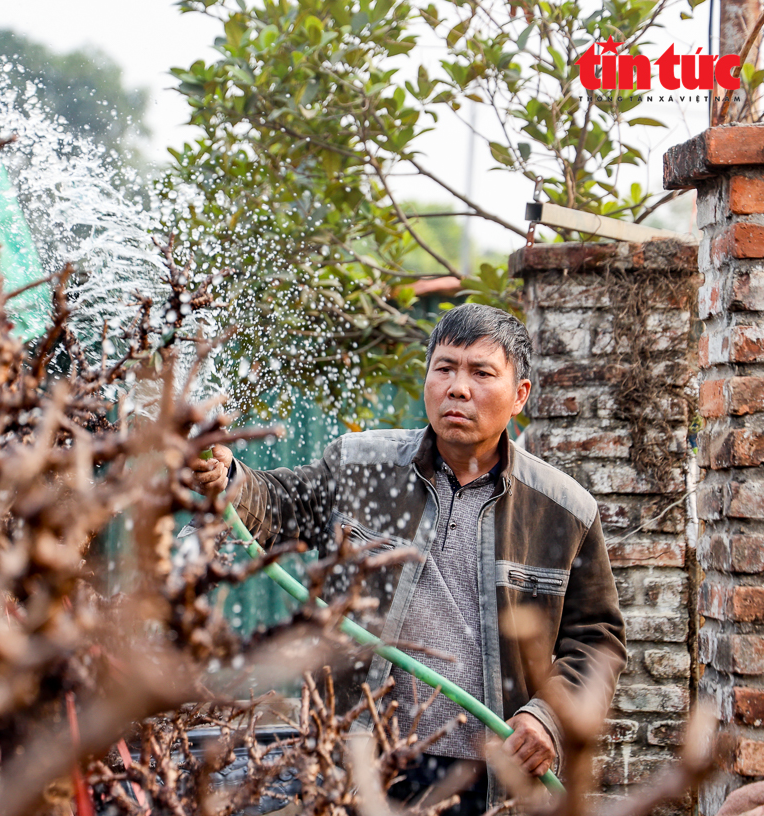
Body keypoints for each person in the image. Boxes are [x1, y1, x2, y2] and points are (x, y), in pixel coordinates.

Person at [189, 303, 626, 814]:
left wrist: (549, 716)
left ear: (520, 396)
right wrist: (230, 477)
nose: (457, 388)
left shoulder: (562, 509)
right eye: (445, 368)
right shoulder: (362, 465)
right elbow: (282, 504)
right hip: (363, 764)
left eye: (481, 373)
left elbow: (596, 640)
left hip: (493, 776)